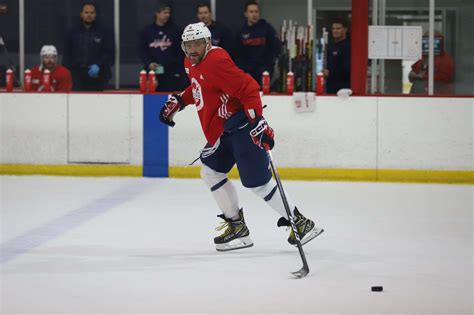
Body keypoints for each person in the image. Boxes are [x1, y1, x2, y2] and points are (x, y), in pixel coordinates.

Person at [159, 22, 324, 252]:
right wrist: (181, 100)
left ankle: (300, 223)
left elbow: (248, 89)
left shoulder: (217, 61)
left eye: (197, 43)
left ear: (208, 43)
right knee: (210, 171)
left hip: (242, 128)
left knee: (259, 184)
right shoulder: (190, 61)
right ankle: (237, 227)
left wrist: (258, 122)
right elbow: (200, 86)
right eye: (189, 45)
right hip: (223, 132)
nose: (193, 49)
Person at [63, 1, 115, 91]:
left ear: (96, 14)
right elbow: (67, 53)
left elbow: (109, 52)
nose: (89, 15)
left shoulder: (104, 31)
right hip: (77, 74)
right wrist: (66, 71)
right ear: (81, 14)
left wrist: (98, 65)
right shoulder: (72, 31)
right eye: (86, 12)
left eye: (92, 13)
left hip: (98, 74)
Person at [138, 2, 187, 92]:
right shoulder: (147, 31)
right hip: (153, 72)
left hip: (171, 73)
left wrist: (178, 70)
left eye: (169, 13)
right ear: (157, 13)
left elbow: (180, 52)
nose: (167, 15)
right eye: (165, 12)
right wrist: (149, 63)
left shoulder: (175, 30)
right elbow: (142, 51)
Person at [235, 0, 281, 88]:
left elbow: (276, 47)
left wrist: (269, 65)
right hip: (247, 73)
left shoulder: (267, 28)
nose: (254, 14)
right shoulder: (241, 31)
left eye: (256, 11)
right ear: (246, 14)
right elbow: (237, 54)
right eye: (251, 12)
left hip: (264, 71)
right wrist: (243, 70)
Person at [323, 19, 351, 94]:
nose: (335, 31)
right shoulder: (330, 46)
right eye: (333, 28)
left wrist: (330, 73)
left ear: (345, 30)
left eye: (338, 28)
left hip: (343, 90)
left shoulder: (348, 46)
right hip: (330, 88)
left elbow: (347, 69)